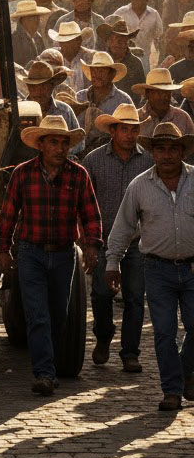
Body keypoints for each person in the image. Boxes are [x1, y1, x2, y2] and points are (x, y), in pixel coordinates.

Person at [0, 114, 101, 396]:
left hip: (65, 253)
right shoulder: (22, 173)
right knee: (37, 314)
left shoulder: (78, 175)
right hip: (31, 252)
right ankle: (43, 372)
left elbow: (90, 214)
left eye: (63, 143)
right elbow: (8, 214)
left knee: (59, 314)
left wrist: (92, 246)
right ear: (41, 145)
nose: (60, 148)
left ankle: (49, 365)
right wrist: (3, 250)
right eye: (53, 142)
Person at [106, 121, 194, 411]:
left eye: (173, 149)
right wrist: (112, 262)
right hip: (157, 269)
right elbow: (124, 226)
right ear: (153, 153)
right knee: (164, 332)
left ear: (182, 151)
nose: (167, 155)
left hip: (193, 269)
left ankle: (183, 373)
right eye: (161, 149)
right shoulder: (140, 186)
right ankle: (172, 390)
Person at [83, 103, 152, 373]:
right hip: (103, 238)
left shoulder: (147, 161)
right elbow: (86, 201)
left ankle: (130, 352)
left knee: (135, 297)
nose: (130, 134)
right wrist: (87, 238)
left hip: (137, 240)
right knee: (101, 294)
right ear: (113, 131)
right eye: (125, 129)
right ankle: (103, 335)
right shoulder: (94, 160)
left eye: (134, 129)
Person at [22, 59, 84, 156]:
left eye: (44, 86)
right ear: (29, 88)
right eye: (34, 87)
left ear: (52, 86)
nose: (39, 92)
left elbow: (79, 146)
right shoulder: (20, 111)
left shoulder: (65, 111)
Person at [77, 50, 135, 147]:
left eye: (102, 70)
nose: (97, 74)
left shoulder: (123, 101)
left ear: (111, 75)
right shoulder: (80, 97)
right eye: (94, 70)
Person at [113, 0, 163, 73]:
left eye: (142, 0)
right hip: (122, 56)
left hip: (144, 57)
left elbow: (158, 36)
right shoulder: (121, 12)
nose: (139, 3)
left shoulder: (154, 15)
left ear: (147, 0)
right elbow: (111, 32)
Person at [132, 68, 194, 138]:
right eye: (159, 92)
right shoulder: (135, 119)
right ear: (147, 94)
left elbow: (191, 146)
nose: (164, 96)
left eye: (167, 92)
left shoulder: (183, 118)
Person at [96, 17, 145, 100]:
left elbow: (143, 91)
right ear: (110, 41)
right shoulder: (100, 61)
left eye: (125, 42)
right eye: (118, 41)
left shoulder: (135, 63)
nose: (122, 45)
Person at [48, 21, 93, 94]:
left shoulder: (90, 57)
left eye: (69, 41)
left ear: (79, 41)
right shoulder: (52, 56)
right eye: (62, 42)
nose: (65, 45)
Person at [12, 0, 50, 69]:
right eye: (33, 17)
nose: (38, 20)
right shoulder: (15, 40)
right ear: (24, 20)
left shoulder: (38, 37)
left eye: (38, 17)